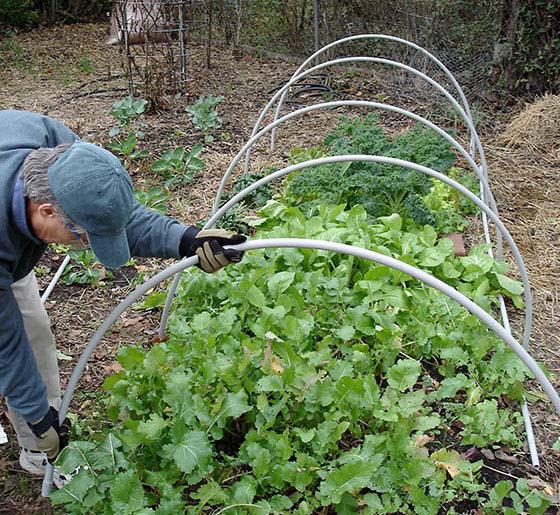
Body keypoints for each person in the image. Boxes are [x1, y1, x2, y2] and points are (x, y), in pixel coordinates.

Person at [0, 109, 246, 486]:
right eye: (83, 239)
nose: (85, 248)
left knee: (33, 329)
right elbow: (5, 342)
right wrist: (35, 413)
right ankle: (37, 432)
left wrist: (186, 240)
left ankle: (38, 448)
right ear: (46, 210)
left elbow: (114, 215)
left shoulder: (62, 154)